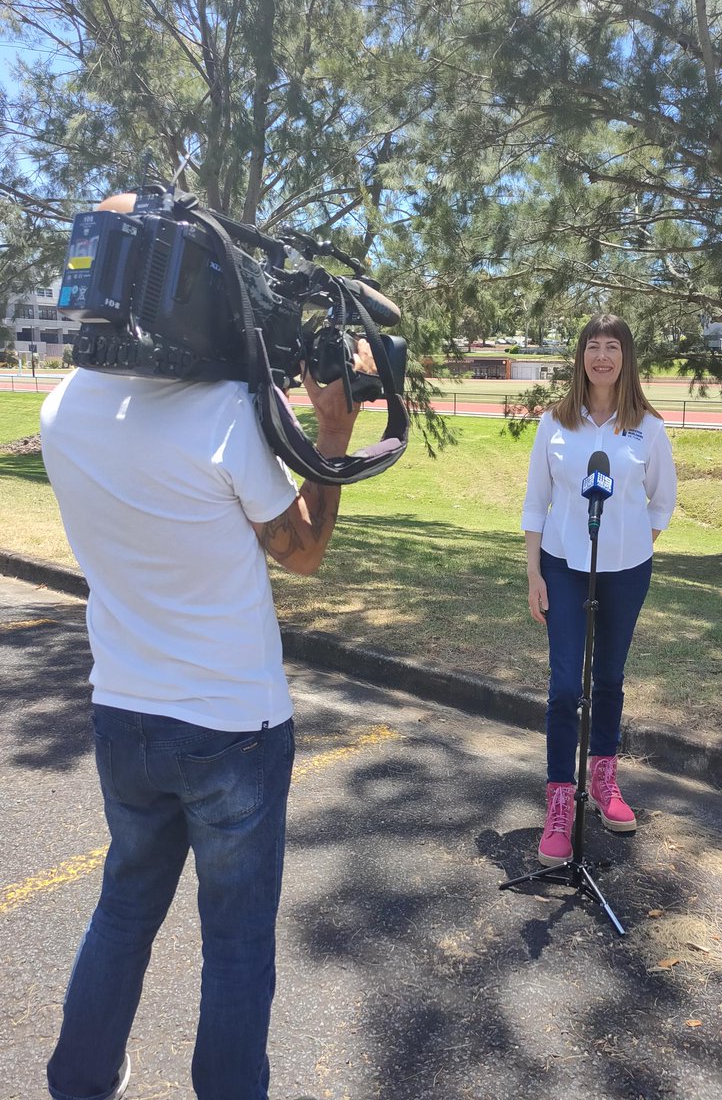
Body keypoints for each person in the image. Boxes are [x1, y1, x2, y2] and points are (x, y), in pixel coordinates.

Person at [40, 194, 373, 1100]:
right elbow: (300, 551)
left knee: (122, 909)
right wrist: (334, 432)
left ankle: (79, 1080)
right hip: (233, 724)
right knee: (234, 944)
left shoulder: (64, 405)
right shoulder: (225, 414)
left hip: (123, 715)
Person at [521, 313, 677, 865]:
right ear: (581, 357)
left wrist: (632, 541)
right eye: (594, 346)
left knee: (608, 678)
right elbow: (536, 502)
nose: (603, 356)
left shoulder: (649, 429)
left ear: (626, 358)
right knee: (565, 686)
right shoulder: (554, 424)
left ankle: (604, 781)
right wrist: (535, 573)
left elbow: (662, 500)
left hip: (627, 571)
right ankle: (560, 802)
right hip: (563, 567)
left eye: (613, 347)